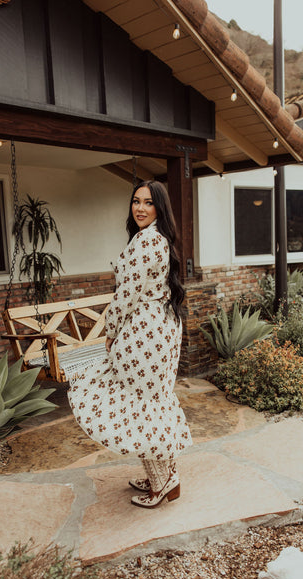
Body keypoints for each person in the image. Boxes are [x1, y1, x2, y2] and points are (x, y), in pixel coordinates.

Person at [68, 180, 192, 508]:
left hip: (144, 332)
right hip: (161, 329)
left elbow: (126, 295)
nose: (140, 208)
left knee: (142, 405)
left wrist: (110, 330)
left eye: (148, 202)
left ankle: (161, 483)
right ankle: (166, 477)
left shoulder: (145, 241)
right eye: (136, 201)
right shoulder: (161, 238)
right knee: (153, 402)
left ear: (159, 208)